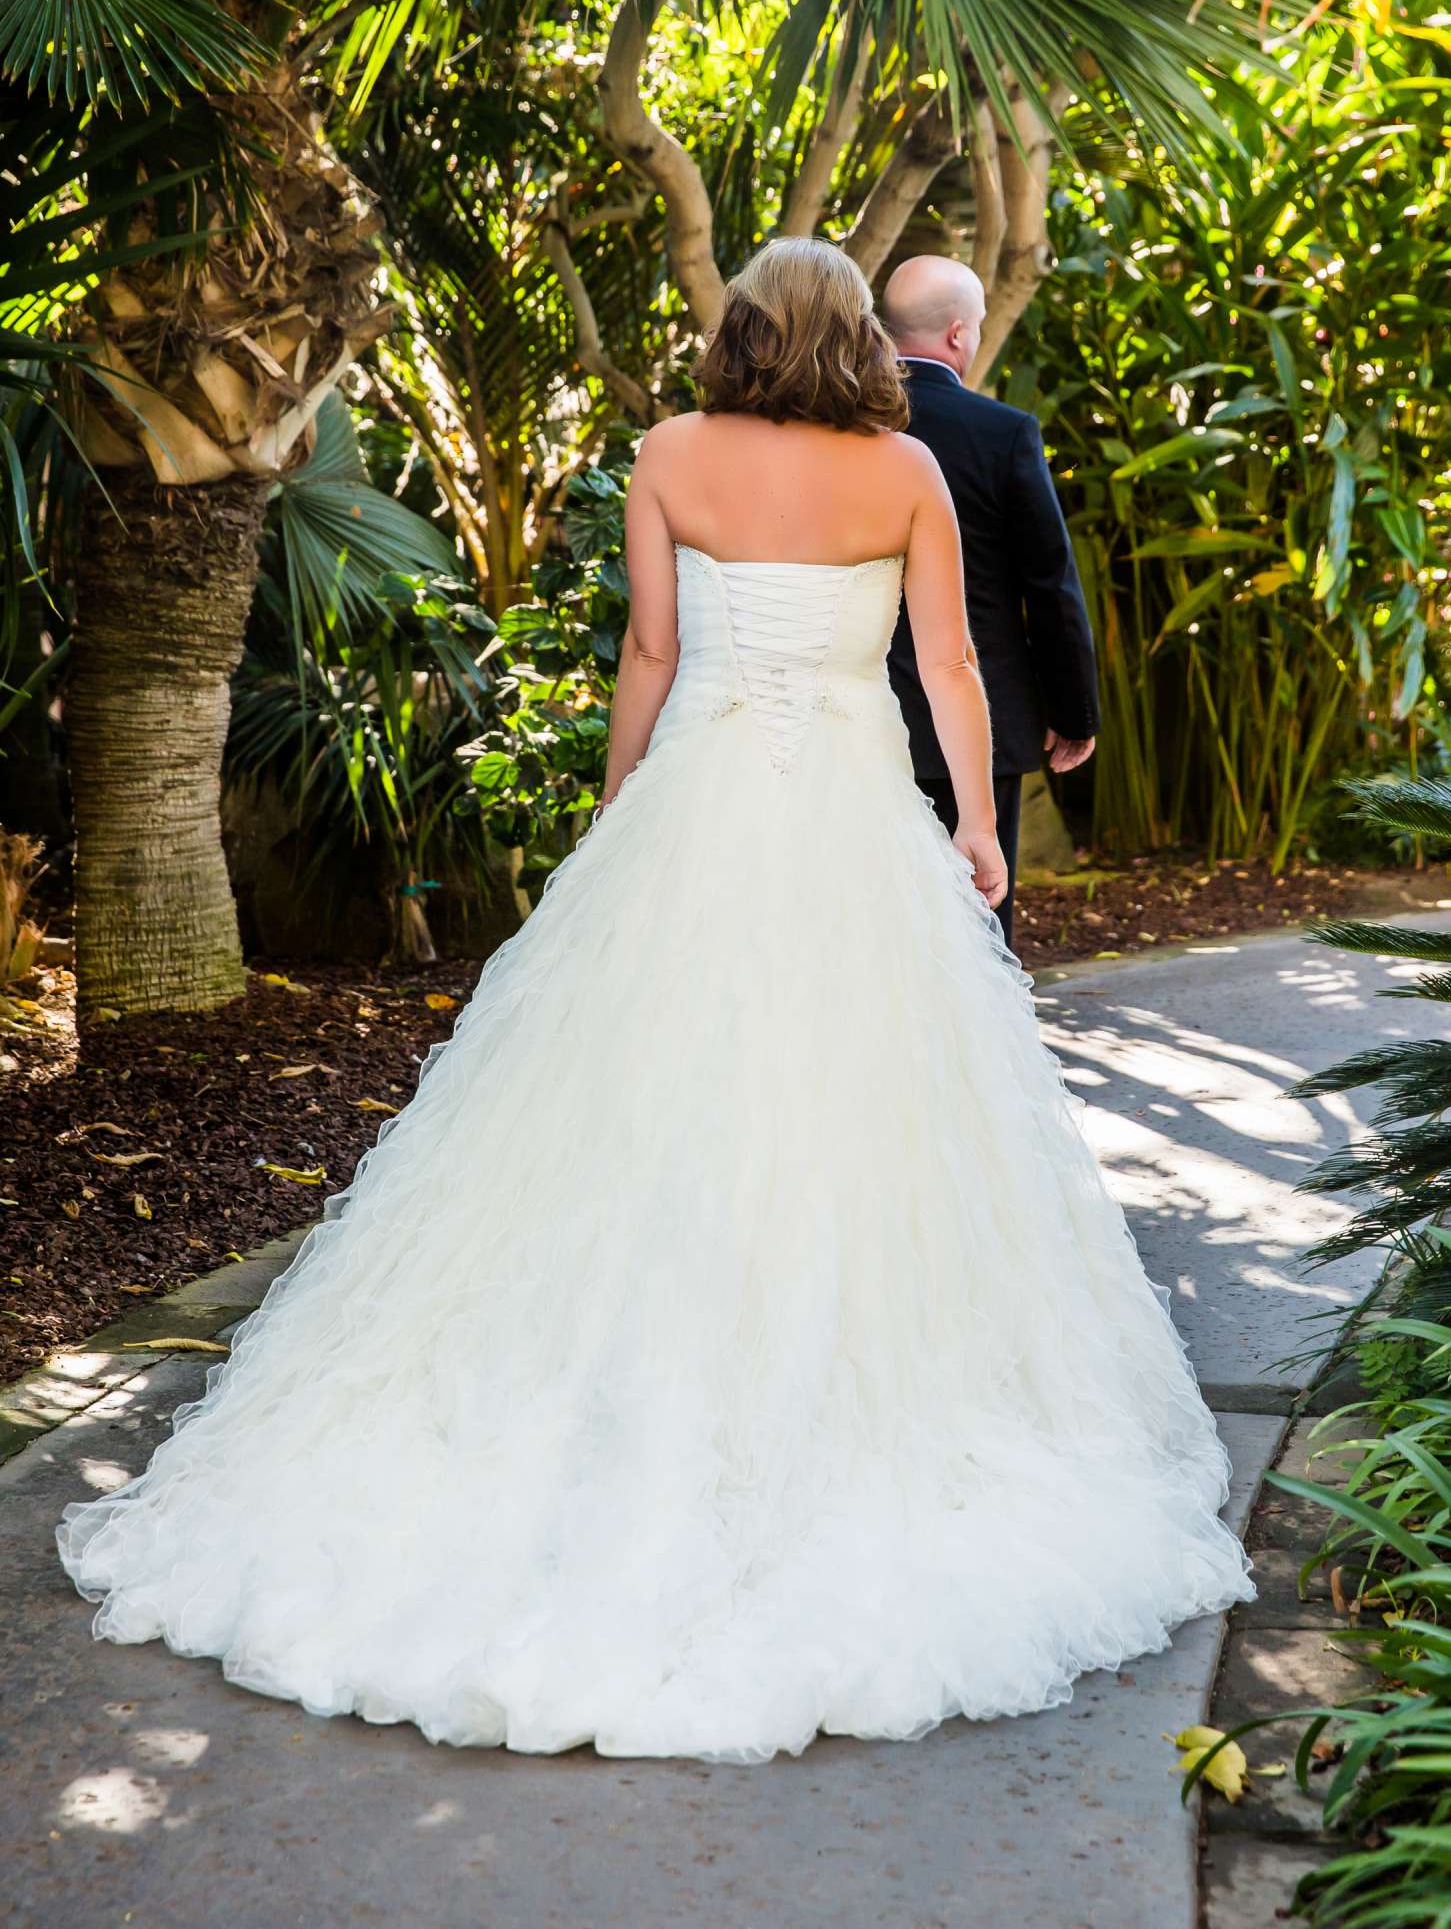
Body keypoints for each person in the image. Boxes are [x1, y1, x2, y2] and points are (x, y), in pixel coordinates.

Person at [59, 238, 1250, 1765]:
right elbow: (945, 659)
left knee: (625, 1096)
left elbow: (651, 646)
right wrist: (970, 820)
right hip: (846, 817)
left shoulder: (672, 451)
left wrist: (619, 805)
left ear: (745, 332)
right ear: (859, 341)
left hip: (696, 806)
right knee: (854, 1101)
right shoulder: (904, 473)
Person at [883, 254, 1098, 948]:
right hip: (979, 717)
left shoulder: (844, 428)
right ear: (956, 335)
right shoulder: (1002, 431)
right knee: (976, 918)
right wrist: (1073, 713)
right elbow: (1050, 584)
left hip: (858, 715)